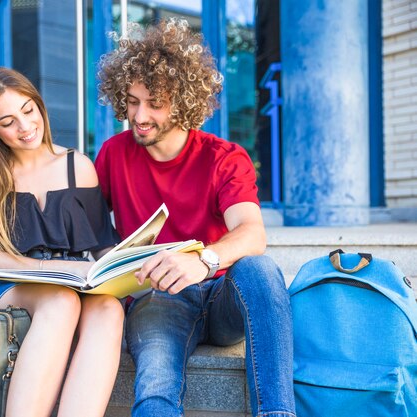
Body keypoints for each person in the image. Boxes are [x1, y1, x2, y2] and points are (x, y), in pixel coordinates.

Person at [95, 19, 296, 417]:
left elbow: (252, 233)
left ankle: (277, 412)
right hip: (158, 299)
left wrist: (201, 262)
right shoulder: (113, 154)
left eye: (154, 103)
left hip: (222, 296)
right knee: (155, 385)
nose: (139, 115)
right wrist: (113, 269)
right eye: (133, 101)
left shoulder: (224, 157)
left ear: (184, 101)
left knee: (261, 269)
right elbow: (92, 234)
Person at [0, 67, 123, 417]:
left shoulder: (77, 165)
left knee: (110, 309)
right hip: (13, 284)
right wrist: (60, 267)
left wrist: (124, 265)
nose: (25, 127)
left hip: (79, 280)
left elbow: (101, 244)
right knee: (61, 302)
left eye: (28, 110)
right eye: (7, 121)